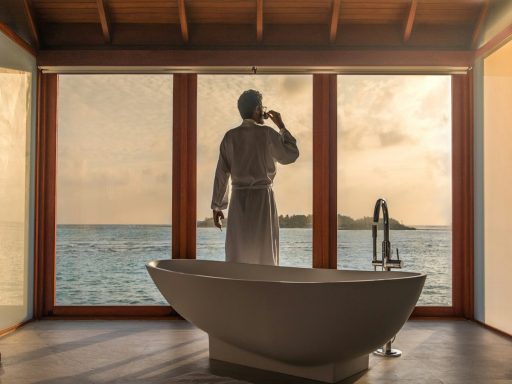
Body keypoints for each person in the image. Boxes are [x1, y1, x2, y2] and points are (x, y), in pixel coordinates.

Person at [211, 89, 299, 265]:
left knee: (238, 252)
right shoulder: (267, 133)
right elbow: (291, 154)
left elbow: (222, 173)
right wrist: (281, 126)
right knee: (264, 250)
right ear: (258, 109)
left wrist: (217, 206)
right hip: (262, 200)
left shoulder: (230, 137)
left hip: (238, 202)